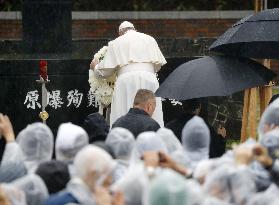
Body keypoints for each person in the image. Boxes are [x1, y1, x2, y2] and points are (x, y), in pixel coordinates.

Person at [90, 21, 166, 127]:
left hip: (126, 81)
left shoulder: (116, 42)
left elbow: (104, 72)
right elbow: (157, 66)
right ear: (134, 29)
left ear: (120, 33)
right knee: (152, 116)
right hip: (149, 79)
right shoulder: (150, 39)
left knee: (125, 113)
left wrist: (95, 67)